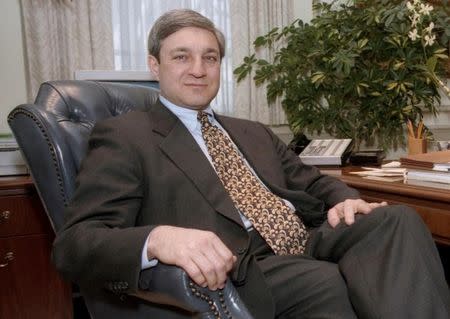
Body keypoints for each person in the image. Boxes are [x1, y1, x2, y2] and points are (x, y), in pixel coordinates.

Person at [52, 8, 450, 319]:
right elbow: (74, 244)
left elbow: (311, 182)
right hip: (241, 265)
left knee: (396, 219)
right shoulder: (125, 135)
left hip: (303, 238)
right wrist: (158, 238)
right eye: (181, 57)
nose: (198, 69)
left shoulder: (251, 130)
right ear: (155, 65)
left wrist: (344, 198)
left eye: (210, 58)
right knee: (328, 282)